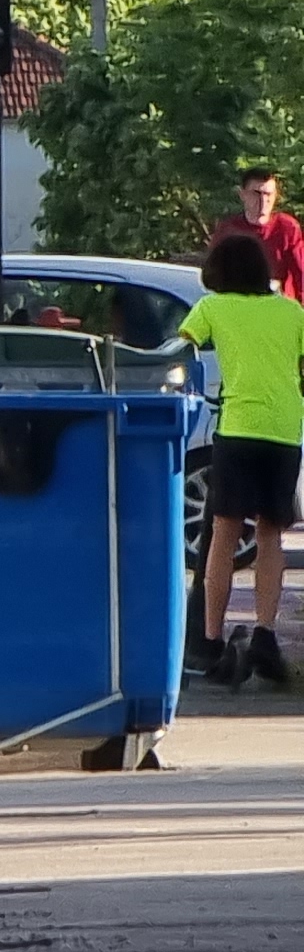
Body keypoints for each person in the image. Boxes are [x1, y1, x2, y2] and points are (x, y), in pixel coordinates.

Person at [183, 230, 304, 688]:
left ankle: (212, 639)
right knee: (271, 534)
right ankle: (265, 633)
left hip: (238, 428)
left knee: (223, 533)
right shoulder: (292, 312)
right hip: (283, 430)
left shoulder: (213, 308)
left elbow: (183, 343)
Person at [212, 168, 304, 301]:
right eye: (256, 193)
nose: (263, 200)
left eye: (268, 194)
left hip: (278, 305)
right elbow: (214, 273)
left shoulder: (287, 228)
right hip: (237, 302)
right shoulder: (228, 230)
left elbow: (300, 274)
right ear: (242, 194)